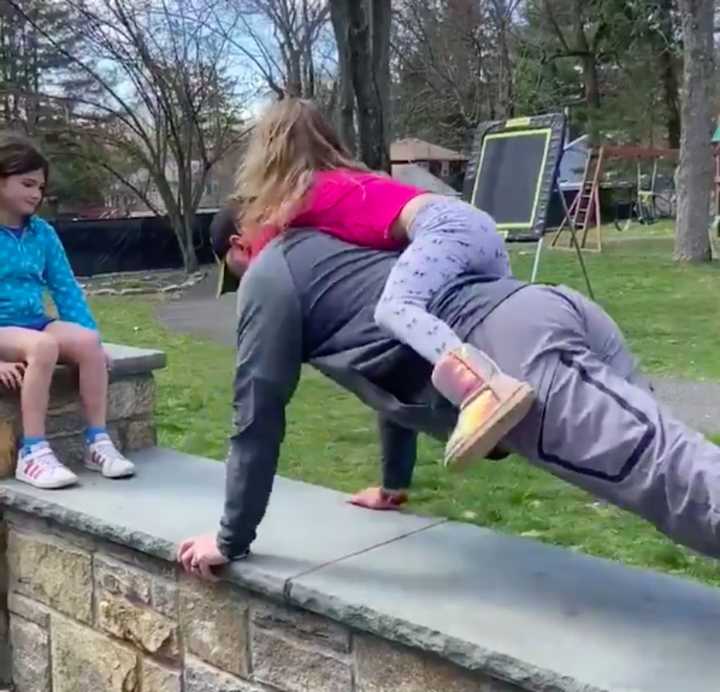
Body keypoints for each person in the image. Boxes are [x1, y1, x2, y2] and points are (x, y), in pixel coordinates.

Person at [176, 221, 720, 580]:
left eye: (235, 269)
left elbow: (256, 412)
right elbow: (386, 377)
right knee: (681, 466)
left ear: (242, 244)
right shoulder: (337, 248)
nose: (239, 284)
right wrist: (394, 486)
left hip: (510, 356)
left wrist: (230, 537)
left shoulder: (269, 278)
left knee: (679, 488)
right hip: (541, 309)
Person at [228, 97, 534, 468]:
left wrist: (246, 263)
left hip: (444, 227)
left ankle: (481, 390)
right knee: (493, 324)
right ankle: (517, 387)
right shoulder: (353, 180)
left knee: (393, 309)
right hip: (476, 226)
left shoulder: (303, 191)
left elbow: (271, 255)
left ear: (271, 151)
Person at [0, 133, 135, 489]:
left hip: (33, 321)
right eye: (27, 183)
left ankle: (97, 441)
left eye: (40, 187)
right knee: (43, 348)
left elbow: (65, 289)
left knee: (87, 342)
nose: (35, 194)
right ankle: (33, 453)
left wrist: (93, 339)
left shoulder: (41, 233)